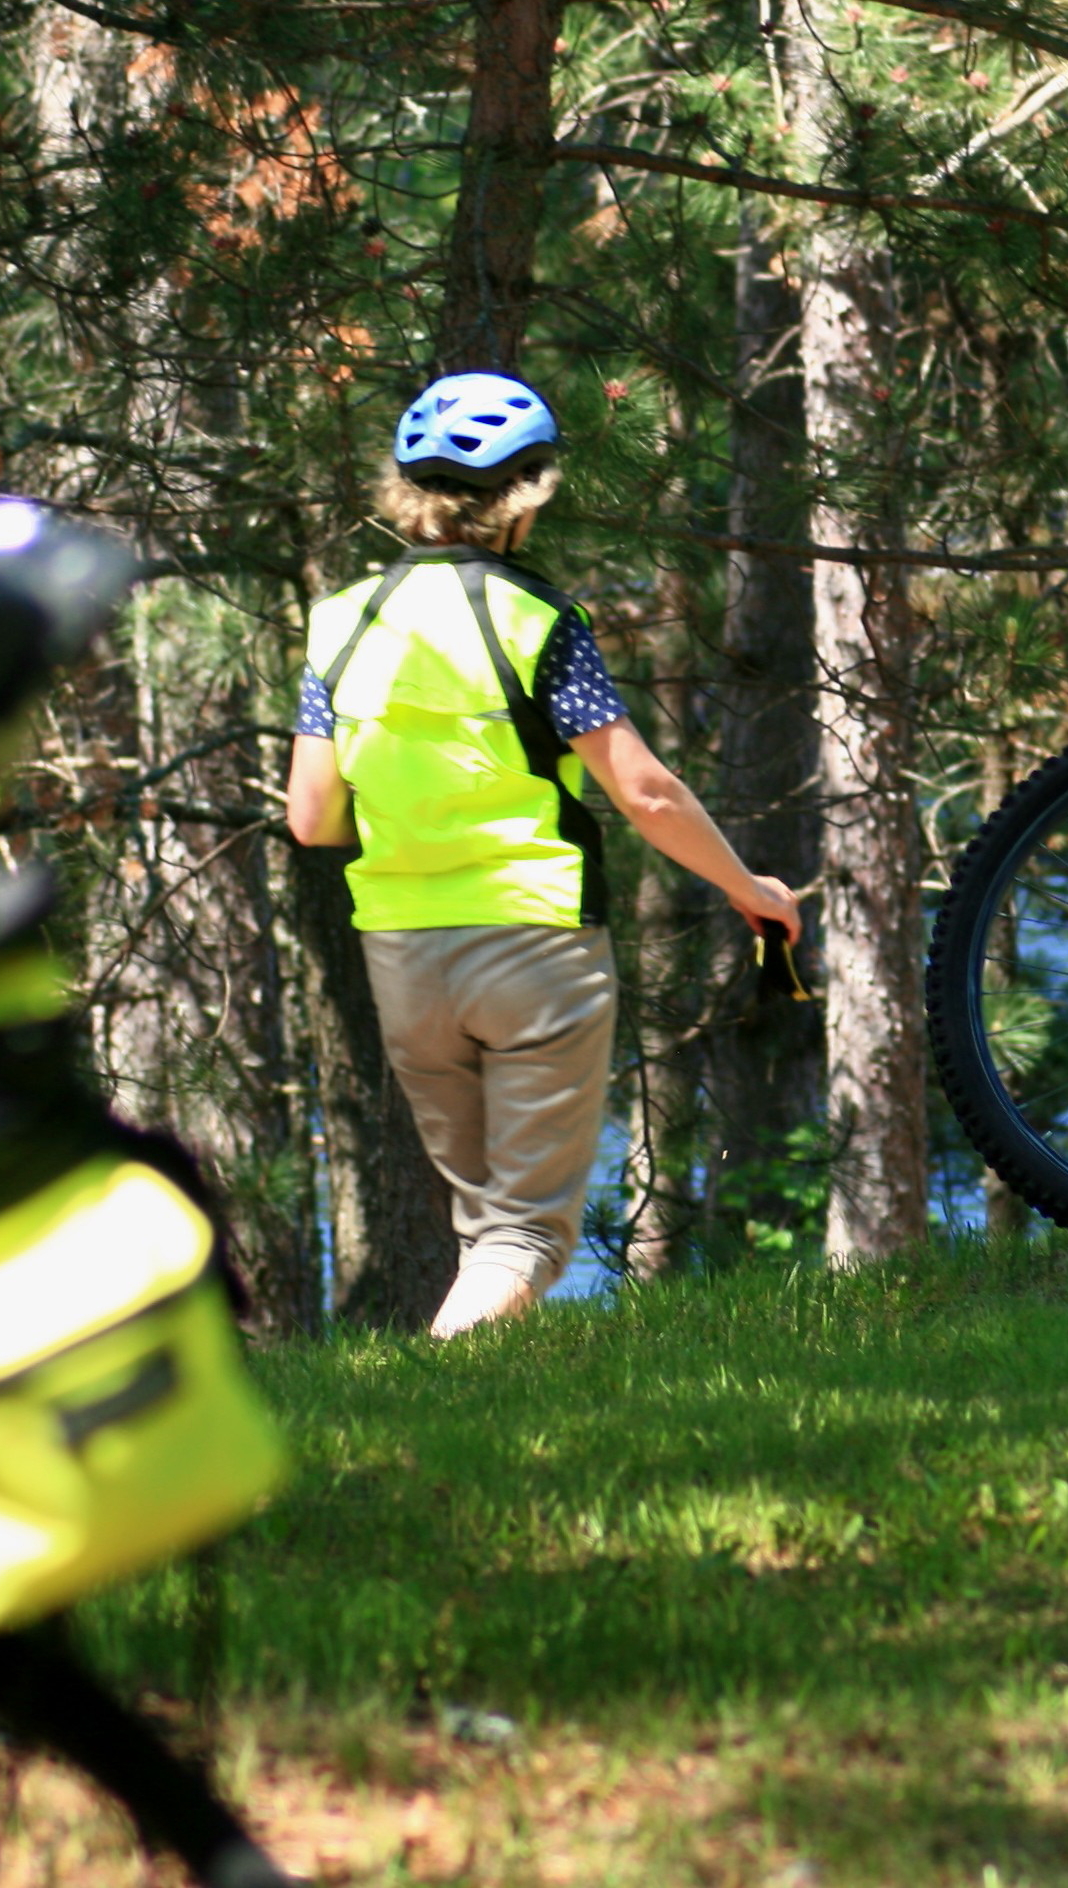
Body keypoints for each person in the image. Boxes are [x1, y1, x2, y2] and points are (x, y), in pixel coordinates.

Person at [285, 372, 804, 1338]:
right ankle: (440, 1393)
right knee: (523, 1236)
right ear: (530, 490)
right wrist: (749, 887)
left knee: (484, 1224)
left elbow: (312, 818)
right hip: (536, 943)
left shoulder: (338, 623)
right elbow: (643, 790)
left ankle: (472, 1424)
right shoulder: (537, 620)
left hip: (401, 953)